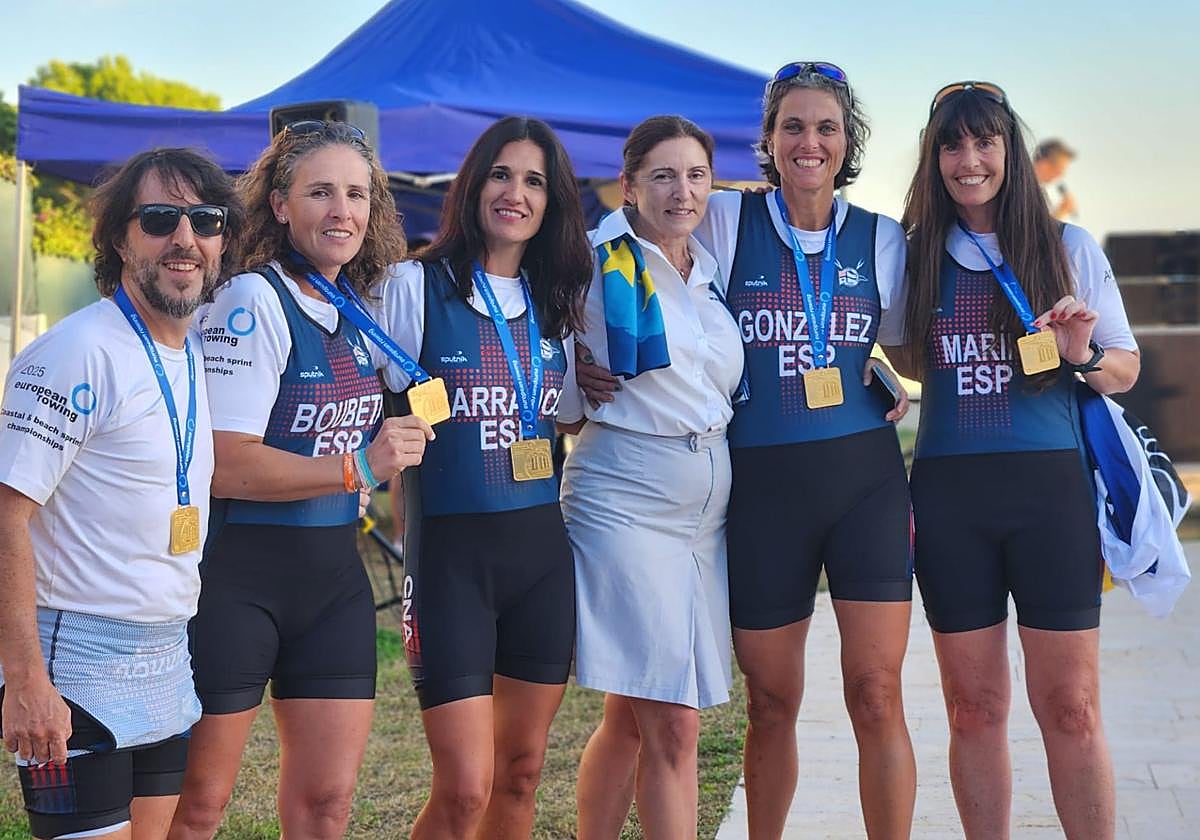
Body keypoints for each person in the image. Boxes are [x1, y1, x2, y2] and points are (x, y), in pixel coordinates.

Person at [576, 63, 916, 839]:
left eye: (826, 127)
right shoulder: (726, 221)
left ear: (846, 141)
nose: (809, 142)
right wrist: (573, 359)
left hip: (864, 479)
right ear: (767, 141)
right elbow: (619, 239)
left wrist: (874, 362)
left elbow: (896, 344)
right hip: (760, 489)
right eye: (792, 126)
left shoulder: (882, 238)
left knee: (876, 693)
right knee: (771, 702)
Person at [889, 81, 1139, 839]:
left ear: (1010, 151)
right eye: (952, 145)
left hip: (1050, 495)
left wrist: (1081, 351)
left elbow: (1123, 368)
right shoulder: (911, 255)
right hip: (950, 499)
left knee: (1072, 706)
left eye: (985, 141)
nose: (969, 160)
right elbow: (902, 356)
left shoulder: (1067, 248)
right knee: (973, 710)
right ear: (934, 160)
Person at [169, 122, 433, 840]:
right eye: (320, 192)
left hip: (333, 584)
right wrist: (358, 466)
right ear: (281, 205)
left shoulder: (354, 305)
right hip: (238, 580)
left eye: (356, 193)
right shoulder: (252, 300)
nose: (341, 210)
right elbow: (226, 464)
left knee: (327, 806)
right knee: (197, 807)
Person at [0, 148, 242, 840]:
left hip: (163, 658)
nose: (186, 239)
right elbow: (6, 515)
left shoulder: (188, 351)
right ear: (117, 237)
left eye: (206, 219)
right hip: (71, 665)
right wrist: (26, 681)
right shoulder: (77, 352)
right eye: (161, 218)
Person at [370, 116, 592, 839]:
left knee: (522, 773)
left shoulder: (558, 307)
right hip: (450, 564)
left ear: (553, 202)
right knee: (466, 788)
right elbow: (362, 395)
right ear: (473, 183)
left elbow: (564, 412)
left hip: (539, 558)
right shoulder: (412, 287)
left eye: (534, 181)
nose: (515, 193)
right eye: (501, 173)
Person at [558, 115, 743, 839]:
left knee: (630, 714)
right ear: (628, 184)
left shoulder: (713, 267)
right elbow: (559, 397)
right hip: (625, 496)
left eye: (696, 175)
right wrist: (568, 370)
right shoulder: (590, 262)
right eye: (663, 175)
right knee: (673, 720)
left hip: (707, 507)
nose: (682, 190)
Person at [1033, 138, 1078, 221]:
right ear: (1044, 164)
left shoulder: (1039, 191)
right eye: (1060, 168)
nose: (1061, 175)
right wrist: (1061, 212)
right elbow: (1033, 229)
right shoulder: (1022, 188)